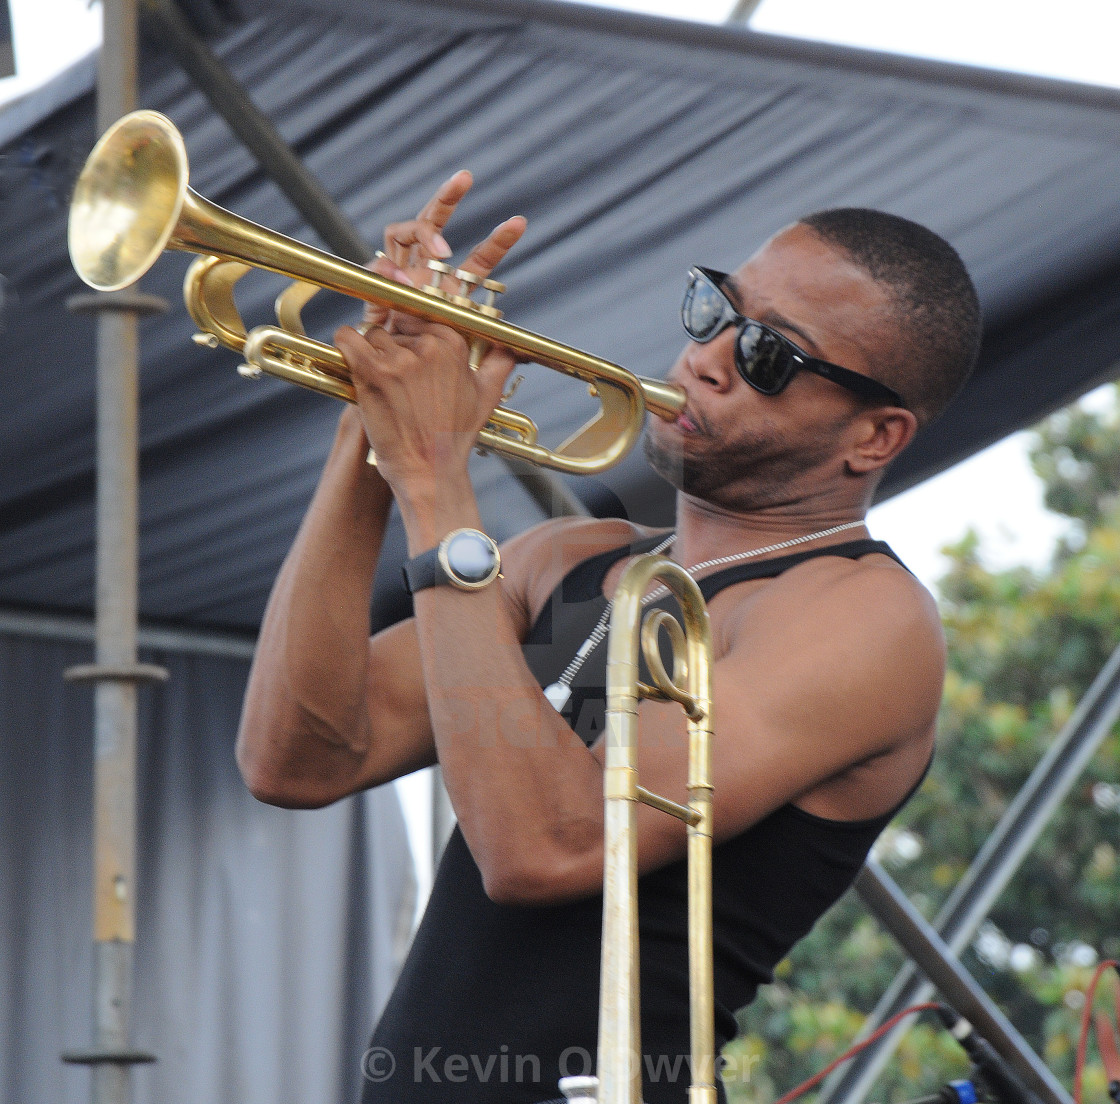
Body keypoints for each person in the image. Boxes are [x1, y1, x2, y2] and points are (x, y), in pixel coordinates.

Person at [235, 171, 981, 1104]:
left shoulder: (861, 618)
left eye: (769, 355)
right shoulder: (569, 561)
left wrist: (434, 478)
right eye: (715, 309)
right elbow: (298, 757)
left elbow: (546, 847)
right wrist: (372, 429)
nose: (708, 356)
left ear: (874, 437)